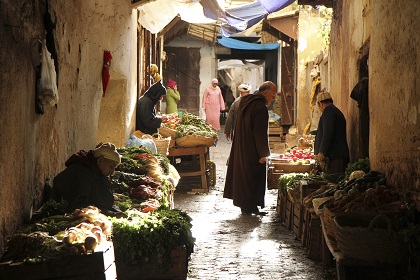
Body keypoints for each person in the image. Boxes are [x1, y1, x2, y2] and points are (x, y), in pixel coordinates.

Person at [224, 81, 277, 215]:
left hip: (243, 146)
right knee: (253, 177)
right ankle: (250, 207)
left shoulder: (246, 102)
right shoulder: (259, 107)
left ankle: (248, 207)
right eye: (273, 94)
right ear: (265, 93)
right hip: (252, 149)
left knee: (245, 177)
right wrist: (263, 154)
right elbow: (259, 133)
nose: (274, 98)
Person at [52, 142, 126, 217]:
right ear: (100, 160)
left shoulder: (96, 171)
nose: (113, 172)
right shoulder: (81, 173)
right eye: (111, 166)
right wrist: (112, 214)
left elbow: (102, 198)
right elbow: (80, 206)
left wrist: (116, 211)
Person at [314, 89, 350, 174]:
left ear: (320, 104)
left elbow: (328, 132)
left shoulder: (328, 111)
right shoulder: (334, 111)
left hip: (335, 158)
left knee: (334, 181)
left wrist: (322, 151)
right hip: (338, 156)